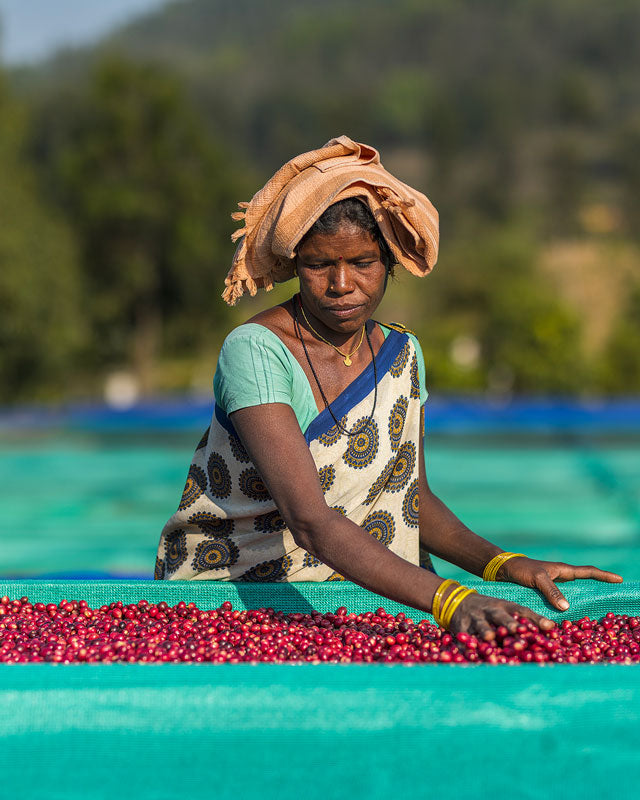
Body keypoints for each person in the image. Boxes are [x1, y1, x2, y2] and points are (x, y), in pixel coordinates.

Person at [155, 135, 621, 638]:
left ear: (389, 264)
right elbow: (309, 521)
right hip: (234, 598)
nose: (340, 284)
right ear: (294, 265)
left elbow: (412, 495)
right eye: (317, 265)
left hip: (370, 593)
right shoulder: (256, 350)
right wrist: (448, 598)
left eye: (362, 263)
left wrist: (503, 564)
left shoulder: (404, 354)